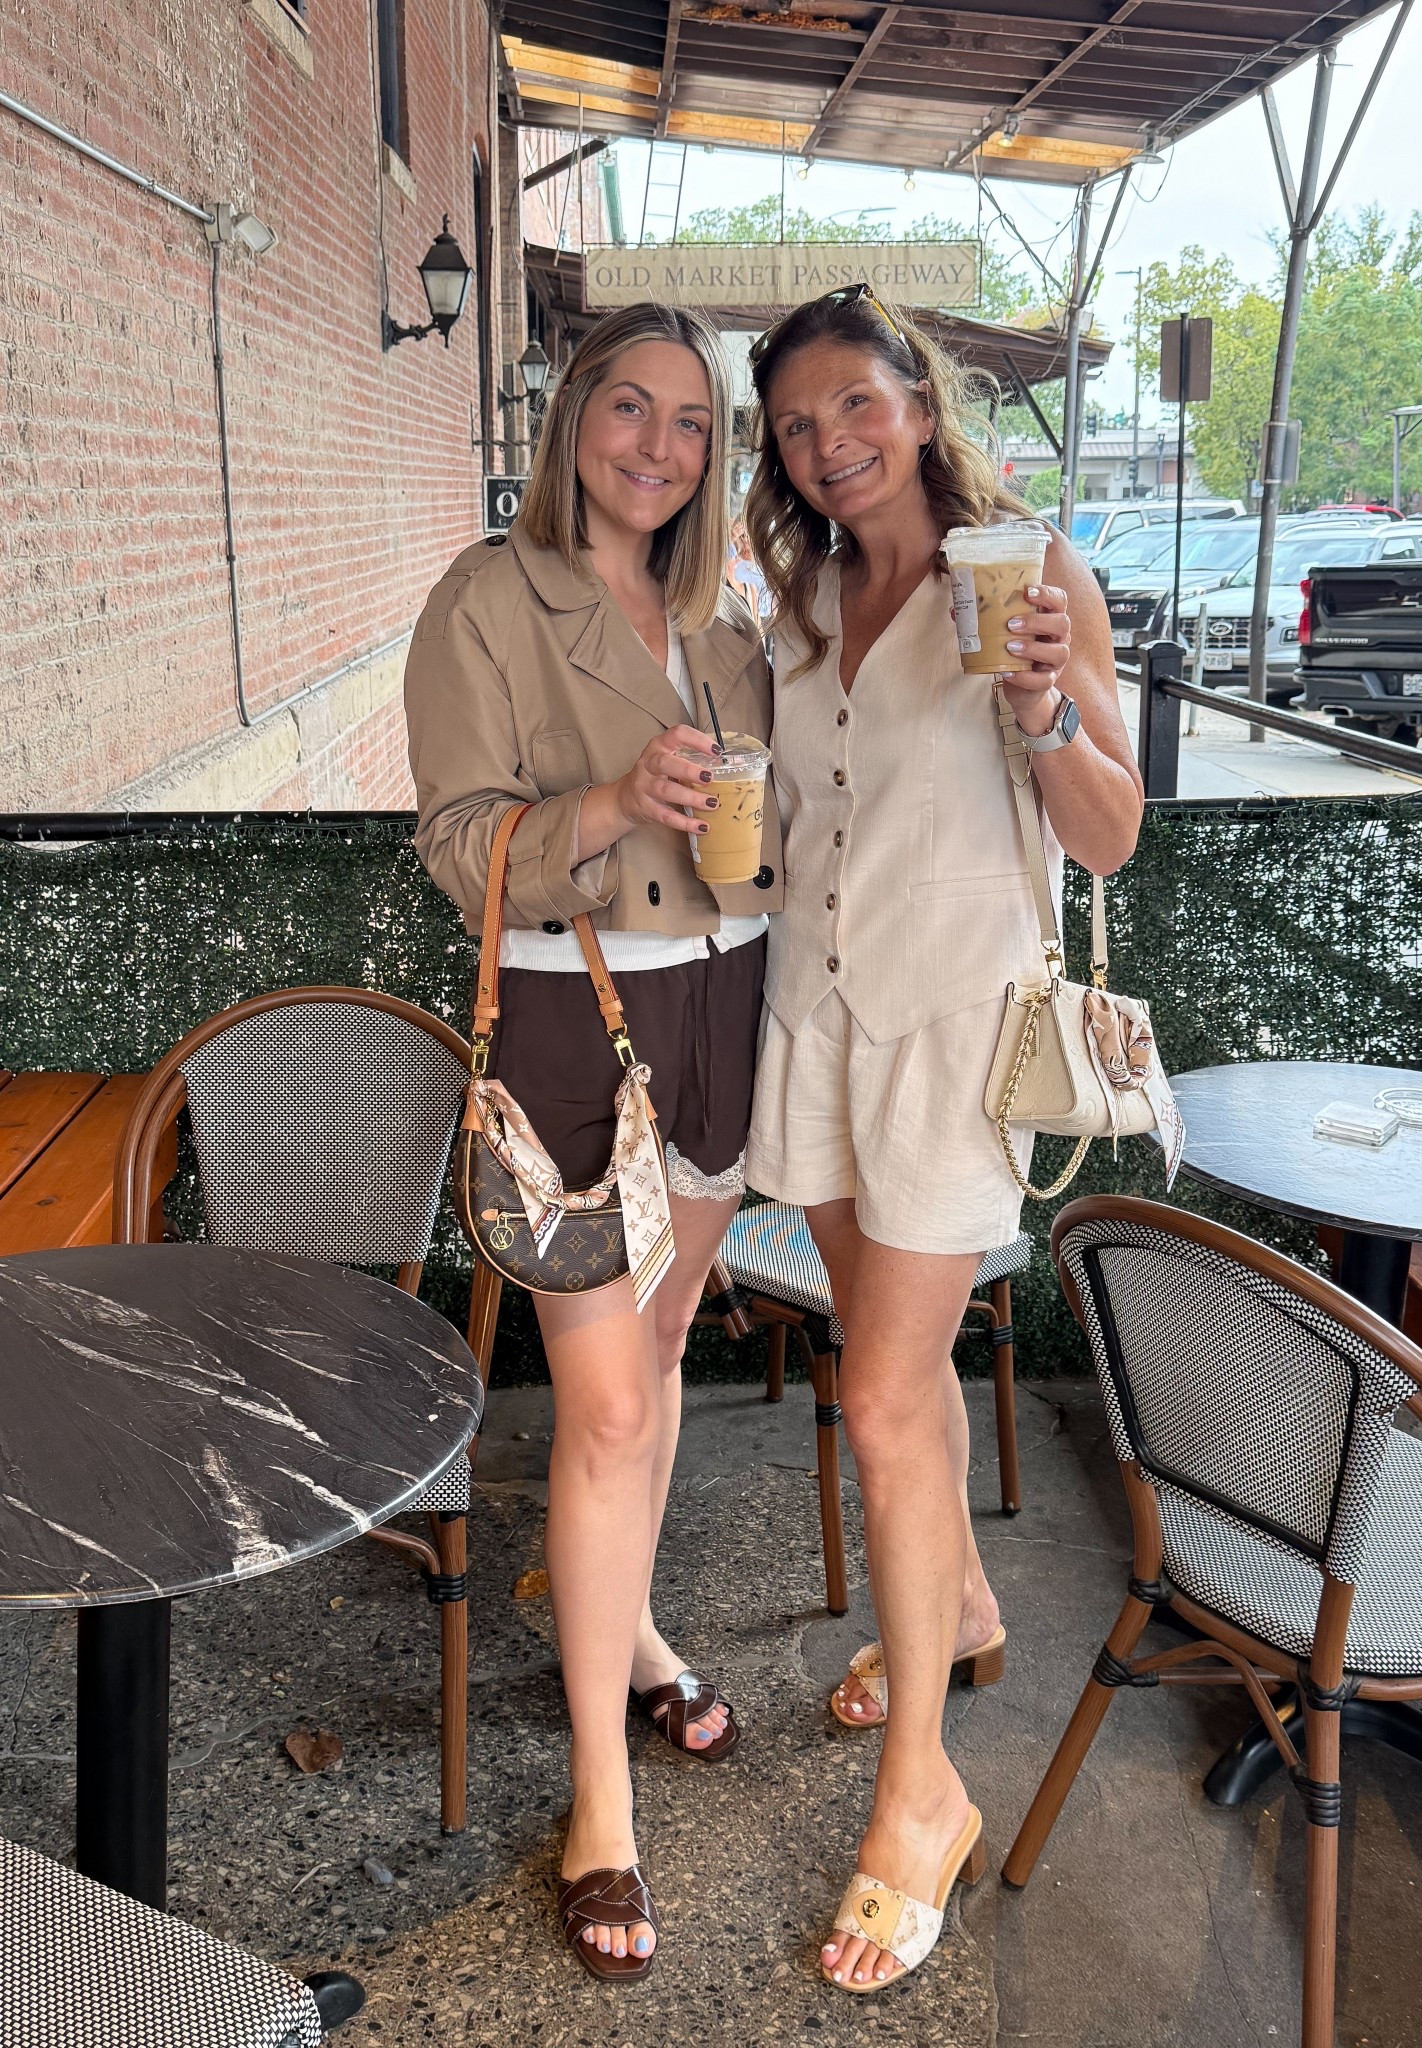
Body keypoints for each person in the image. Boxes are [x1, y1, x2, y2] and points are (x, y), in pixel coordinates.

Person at [743, 285, 1142, 1992]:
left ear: (919, 398)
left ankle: (925, 1794)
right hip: (812, 1028)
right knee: (872, 1363)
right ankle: (959, 1617)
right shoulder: (807, 597)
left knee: (890, 1398)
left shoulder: (1032, 577)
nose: (829, 446)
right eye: (795, 426)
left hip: (945, 1039)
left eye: (855, 406)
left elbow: (1112, 840)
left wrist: (1047, 710)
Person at [405, 303, 782, 1985]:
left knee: (668, 1346)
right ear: (572, 420)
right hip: (575, 1021)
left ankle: (625, 1628)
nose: (656, 445)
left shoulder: (718, 618)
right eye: (628, 408)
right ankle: (601, 1809)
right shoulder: (488, 600)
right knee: (608, 1404)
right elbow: (455, 841)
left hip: (724, 1005)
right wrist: (617, 805)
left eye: (692, 422)